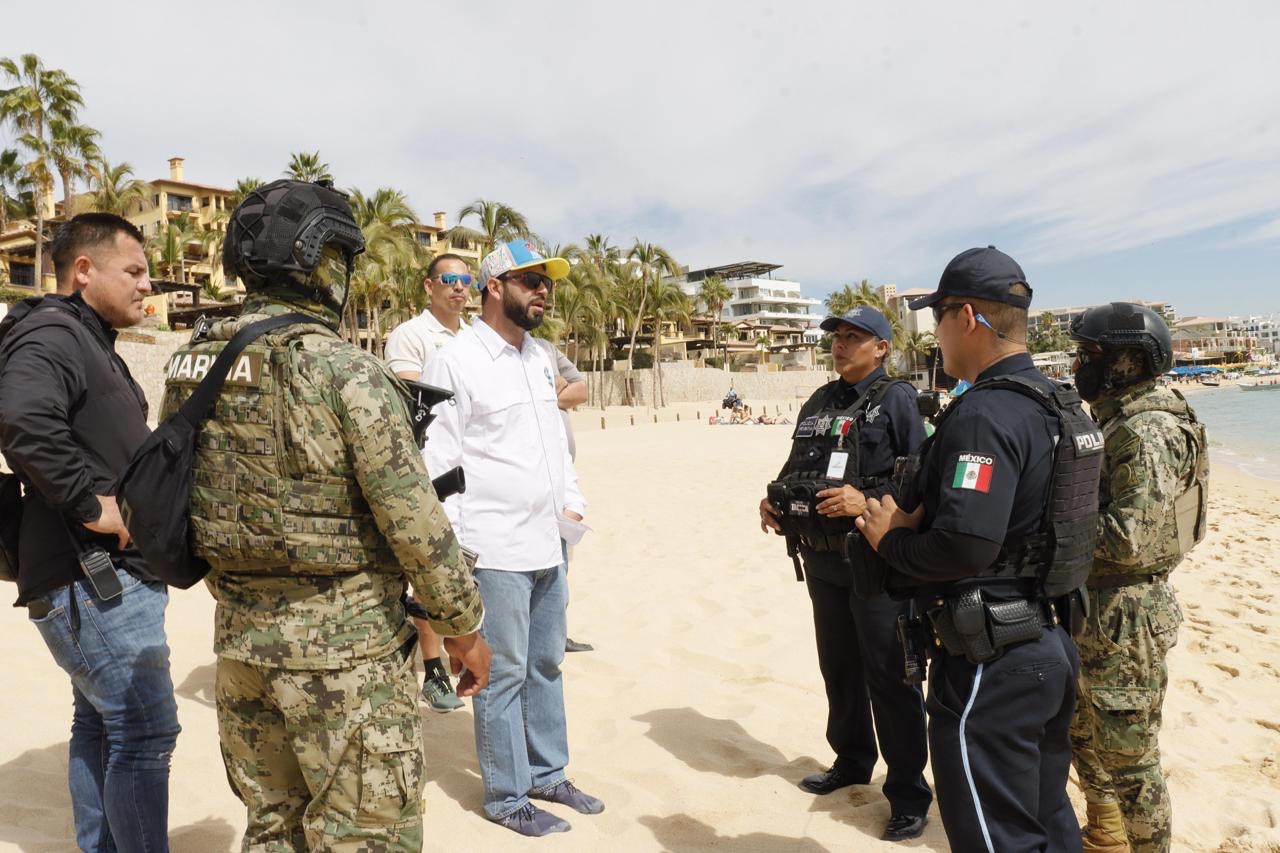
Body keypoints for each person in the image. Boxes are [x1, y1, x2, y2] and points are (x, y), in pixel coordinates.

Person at [159, 180, 490, 851]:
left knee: (274, 830)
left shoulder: (193, 364)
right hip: (347, 663)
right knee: (367, 837)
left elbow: (187, 494)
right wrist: (462, 628)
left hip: (242, 649)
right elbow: (417, 526)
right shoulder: (346, 371)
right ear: (320, 261)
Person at [857, 247, 1102, 852]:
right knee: (1046, 816)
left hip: (992, 661)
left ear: (965, 316)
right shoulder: (1061, 404)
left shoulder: (985, 412)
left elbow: (966, 546)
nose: (936, 334)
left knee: (996, 836)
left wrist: (892, 541)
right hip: (1050, 640)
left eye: (937, 318)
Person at [0, 213, 180, 852]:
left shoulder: (90, 339)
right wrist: (92, 508)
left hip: (101, 578)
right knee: (144, 730)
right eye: (133, 270)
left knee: (102, 724)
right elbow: (22, 418)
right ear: (84, 270)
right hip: (90, 575)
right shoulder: (52, 331)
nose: (146, 285)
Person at [423, 239, 602, 837]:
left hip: (550, 541)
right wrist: (452, 554)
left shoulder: (540, 357)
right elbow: (437, 462)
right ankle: (506, 795)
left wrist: (571, 500)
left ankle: (549, 773)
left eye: (548, 282)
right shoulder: (456, 359)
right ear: (494, 287)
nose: (544, 292)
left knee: (547, 663)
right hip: (493, 546)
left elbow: (553, 443)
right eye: (531, 281)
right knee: (502, 672)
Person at [760, 307, 932, 842]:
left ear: (881, 347)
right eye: (836, 337)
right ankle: (852, 760)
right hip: (820, 557)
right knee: (838, 667)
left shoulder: (897, 399)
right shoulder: (819, 400)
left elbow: (922, 481)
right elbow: (797, 467)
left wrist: (868, 498)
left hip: (874, 558)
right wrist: (774, 503)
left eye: (854, 337)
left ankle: (907, 792)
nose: (841, 345)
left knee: (890, 675)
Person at [1067, 303, 1206, 853]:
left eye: (1091, 355)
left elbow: (1131, 540)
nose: (1080, 364)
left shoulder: (1145, 431)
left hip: (1125, 617)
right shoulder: (1119, 418)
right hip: (1096, 606)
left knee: (1131, 761)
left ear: (1130, 359)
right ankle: (1106, 834)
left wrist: (1052, 527)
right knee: (1085, 735)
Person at [383, 251, 473, 712]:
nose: (459, 287)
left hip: (467, 464)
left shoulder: (475, 335)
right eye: (449, 279)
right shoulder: (410, 334)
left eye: (466, 280)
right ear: (429, 286)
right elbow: (413, 396)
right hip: (422, 467)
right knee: (427, 566)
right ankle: (433, 670)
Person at [531, 335, 593, 653]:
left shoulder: (545, 348)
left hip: (562, 484)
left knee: (560, 568)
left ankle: (555, 635)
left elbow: (581, 390)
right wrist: (548, 391)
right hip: (528, 487)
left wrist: (548, 393)